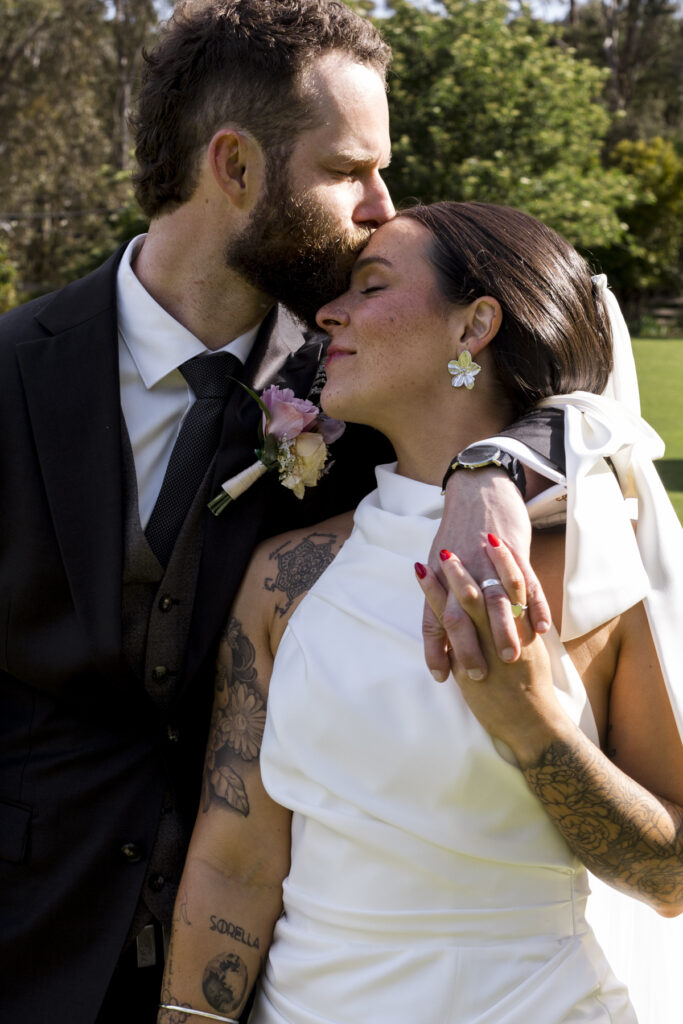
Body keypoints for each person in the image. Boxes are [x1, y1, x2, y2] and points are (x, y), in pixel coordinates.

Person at [0, 4, 562, 1022]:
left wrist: (491, 462)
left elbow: (574, 372)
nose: (380, 206)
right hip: (29, 939)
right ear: (237, 168)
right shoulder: (11, 373)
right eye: (350, 170)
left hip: (277, 967)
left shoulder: (361, 370)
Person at [161, 202, 683, 1024]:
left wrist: (533, 728)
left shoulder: (594, 568)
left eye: (369, 286)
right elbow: (236, 862)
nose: (328, 313)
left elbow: (670, 878)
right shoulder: (285, 579)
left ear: (473, 326)